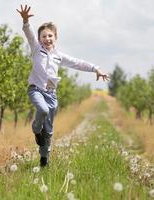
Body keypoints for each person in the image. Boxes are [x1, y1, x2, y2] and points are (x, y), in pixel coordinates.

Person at [16, 5, 110, 167]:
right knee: (42, 110)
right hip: (36, 90)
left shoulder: (59, 56)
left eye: (50, 35)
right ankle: (36, 129)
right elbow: (29, 34)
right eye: (43, 36)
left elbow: (77, 63)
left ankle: (44, 159)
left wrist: (95, 68)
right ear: (39, 39)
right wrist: (25, 21)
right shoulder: (36, 49)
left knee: (50, 131)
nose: (47, 38)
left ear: (55, 37)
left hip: (51, 94)